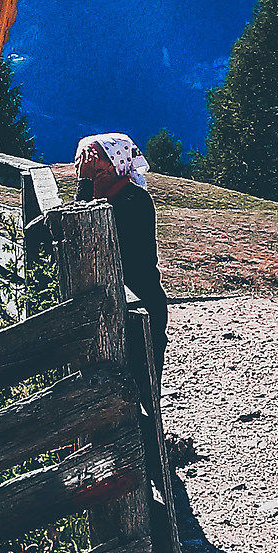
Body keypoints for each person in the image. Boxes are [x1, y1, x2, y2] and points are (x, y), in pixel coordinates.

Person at [75, 132, 169, 380]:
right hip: (130, 306)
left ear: (109, 169)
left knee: (141, 391)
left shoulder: (131, 201)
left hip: (141, 309)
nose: (80, 169)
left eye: (88, 163)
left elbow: (81, 229)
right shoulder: (116, 199)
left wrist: (84, 184)